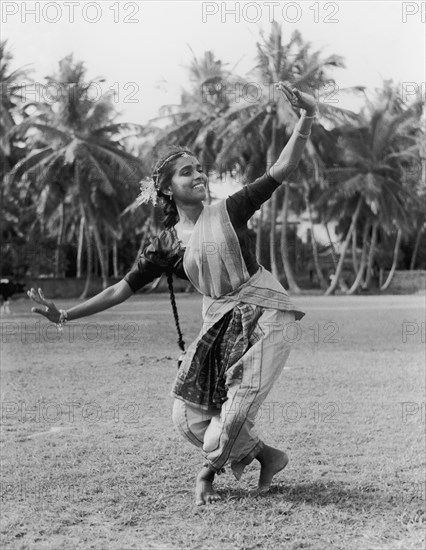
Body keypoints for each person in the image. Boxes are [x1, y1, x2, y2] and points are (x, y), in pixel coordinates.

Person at [28, 82, 317, 506]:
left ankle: (207, 472)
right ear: (166, 188)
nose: (199, 175)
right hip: (220, 325)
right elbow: (119, 288)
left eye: (200, 168)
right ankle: (269, 456)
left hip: (267, 317)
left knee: (232, 417)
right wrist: (66, 316)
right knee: (190, 420)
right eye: (187, 172)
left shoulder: (231, 210)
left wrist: (308, 117)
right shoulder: (163, 244)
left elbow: (280, 168)